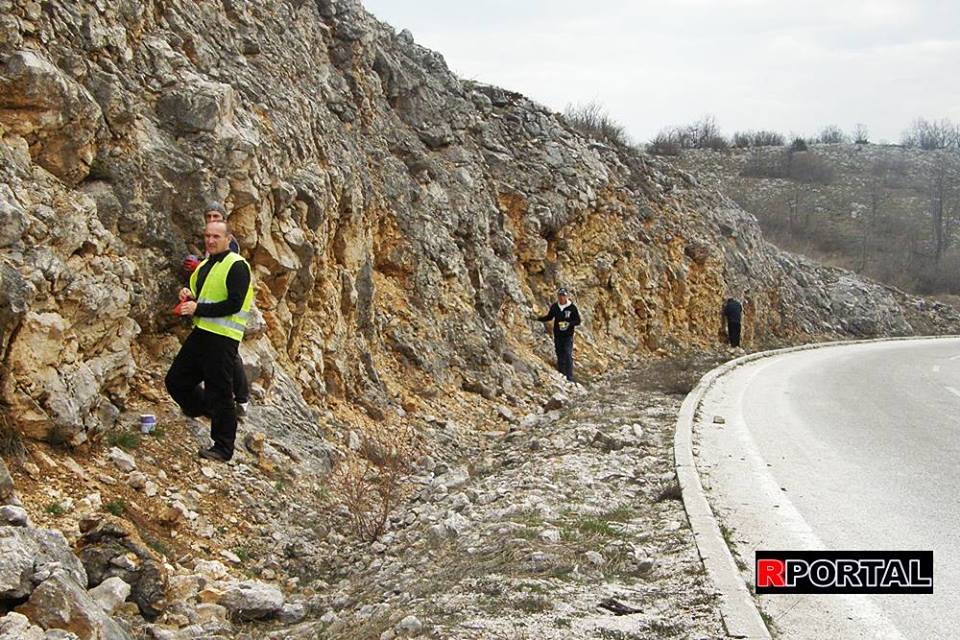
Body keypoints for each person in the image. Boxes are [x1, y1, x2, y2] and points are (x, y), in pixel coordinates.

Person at [166, 220, 254, 462]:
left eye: (216, 236)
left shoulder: (237, 265)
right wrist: (187, 295)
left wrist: (198, 308)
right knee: (176, 380)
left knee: (221, 391)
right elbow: (199, 296)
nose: (211, 240)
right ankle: (206, 410)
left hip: (223, 339)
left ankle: (223, 447)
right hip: (202, 333)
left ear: (229, 239)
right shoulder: (204, 265)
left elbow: (234, 304)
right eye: (207, 236)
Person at [183, 202, 249, 415]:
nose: (212, 220)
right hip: (205, 324)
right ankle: (211, 408)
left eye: (216, 216)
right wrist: (190, 290)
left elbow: (230, 288)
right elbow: (207, 272)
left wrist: (198, 307)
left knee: (230, 363)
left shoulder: (231, 249)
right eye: (209, 216)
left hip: (223, 324)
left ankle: (240, 400)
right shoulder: (209, 243)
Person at [534, 288, 582, 382]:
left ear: (566, 296)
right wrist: (538, 318)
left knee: (568, 354)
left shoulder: (572, 308)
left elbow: (578, 321)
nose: (561, 298)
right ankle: (562, 374)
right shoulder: (555, 307)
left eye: (563, 296)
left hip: (568, 336)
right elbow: (550, 317)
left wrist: (569, 324)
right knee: (560, 354)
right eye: (560, 296)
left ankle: (569, 377)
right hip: (558, 335)